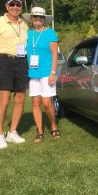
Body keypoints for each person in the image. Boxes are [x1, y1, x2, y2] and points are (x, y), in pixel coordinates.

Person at [0, 0, 29, 149]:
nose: (15, 7)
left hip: (21, 62)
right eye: (12, 4)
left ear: (21, 7)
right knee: (4, 99)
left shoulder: (24, 24)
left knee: (20, 98)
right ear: (6, 6)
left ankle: (12, 132)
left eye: (18, 5)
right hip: (4, 61)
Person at [22, 7, 60, 143]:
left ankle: (54, 125)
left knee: (47, 102)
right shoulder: (28, 33)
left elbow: (55, 54)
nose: (38, 19)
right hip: (33, 73)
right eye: (35, 17)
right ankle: (39, 130)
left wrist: (53, 72)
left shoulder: (50, 32)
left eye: (41, 17)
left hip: (47, 72)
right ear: (31, 19)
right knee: (35, 102)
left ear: (44, 19)